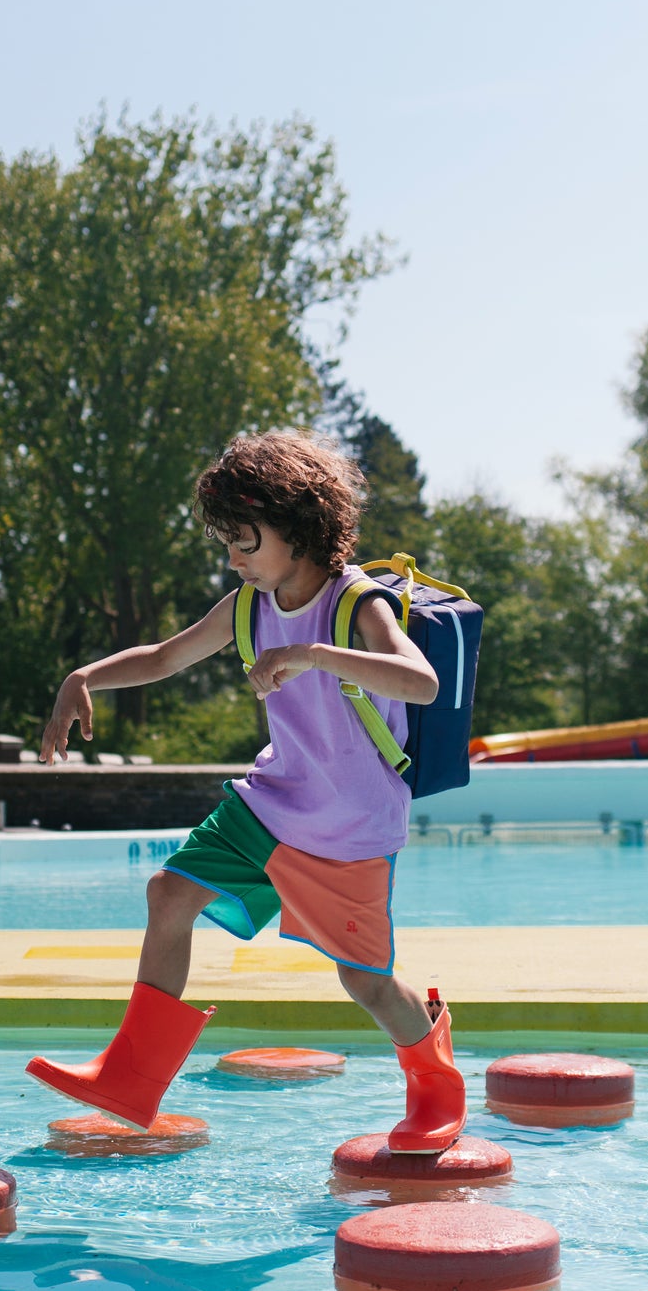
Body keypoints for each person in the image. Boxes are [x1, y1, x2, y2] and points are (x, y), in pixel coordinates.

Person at [26, 429, 467, 1152]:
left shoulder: (356, 602)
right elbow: (166, 656)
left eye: (243, 541)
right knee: (169, 893)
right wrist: (84, 676)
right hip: (270, 801)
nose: (231, 557)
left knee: (367, 984)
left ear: (297, 527)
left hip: (349, 827)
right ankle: (131, 1075)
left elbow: (420, 681)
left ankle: (434, 1080)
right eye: (226, 543)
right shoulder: (246, 606)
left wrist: (311, 655)